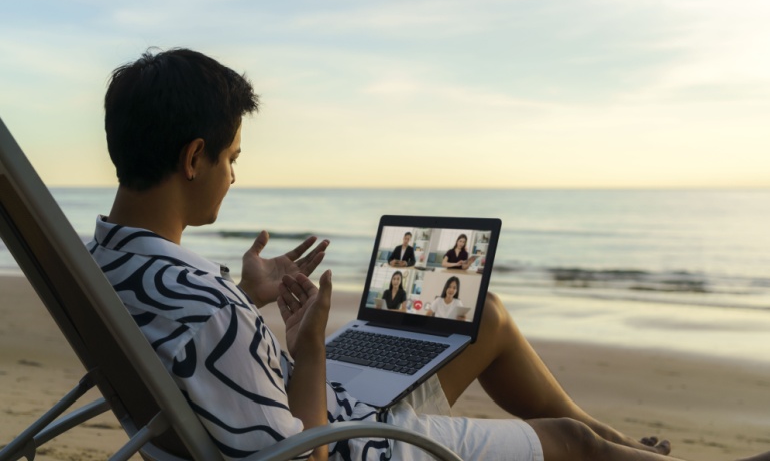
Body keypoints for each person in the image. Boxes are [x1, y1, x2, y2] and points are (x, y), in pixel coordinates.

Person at [88, 47, 770, 461]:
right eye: (232, 158)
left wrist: (251, 296)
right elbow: (304, 457)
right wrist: (311, 349)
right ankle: (601, 448)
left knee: (486, 316)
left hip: (319, 410)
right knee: (571, 443)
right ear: (194, 157)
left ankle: (615, 443)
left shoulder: (106, 262)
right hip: (348, 440)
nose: (234, 176)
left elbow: (206, 353)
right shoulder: (203, 306)